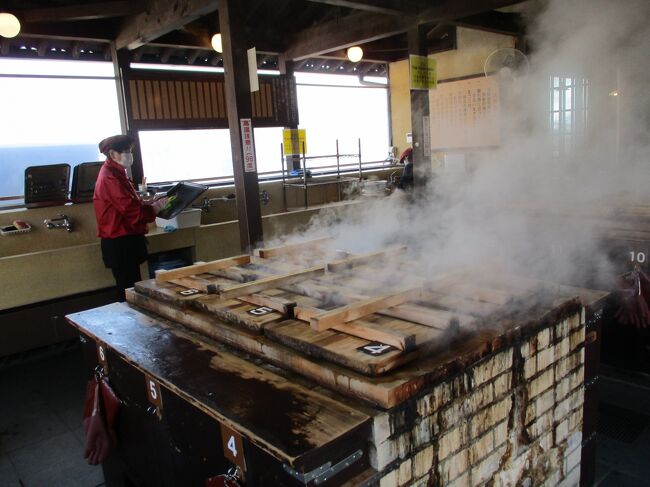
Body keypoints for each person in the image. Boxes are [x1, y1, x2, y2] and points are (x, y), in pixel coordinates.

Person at [93, 135, 166, 301]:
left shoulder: (117, 173)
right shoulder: (110, 177)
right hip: (120, 243)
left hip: (125, 240)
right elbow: (132, 212)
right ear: (113, 154)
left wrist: (146, 203)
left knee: (132, 288)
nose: (129, 155)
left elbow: (128, 203)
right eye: (126, 152)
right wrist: (154, 208)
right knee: (128, 293)